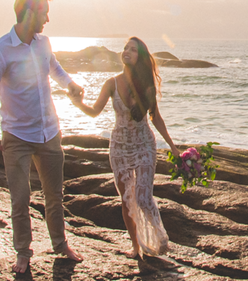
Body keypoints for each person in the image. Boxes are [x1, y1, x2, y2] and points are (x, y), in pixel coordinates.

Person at [0, 0, 85, 272]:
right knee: (21, 197)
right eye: (44, 13)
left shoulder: (43, 43)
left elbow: (55, 68)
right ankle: (23, 252)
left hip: (49, 131)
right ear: (30, 12)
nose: (47, 19)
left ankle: (60, 245)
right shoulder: (0, 50)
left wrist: (70, 84)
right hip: (16, 137)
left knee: (54, 195)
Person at [73, 37, 180, 260]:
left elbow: (156, 118)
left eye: (132, 49)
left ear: (140, 57)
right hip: (119, 148)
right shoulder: (111, 83)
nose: (126, 52)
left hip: (144, 145)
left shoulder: (147, 85)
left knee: (142, 197)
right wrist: (77, 103)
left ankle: (159, 238)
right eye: (125, 48)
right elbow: (94, 111)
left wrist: (172, 146)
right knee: (126, 199)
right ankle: (136, 247)